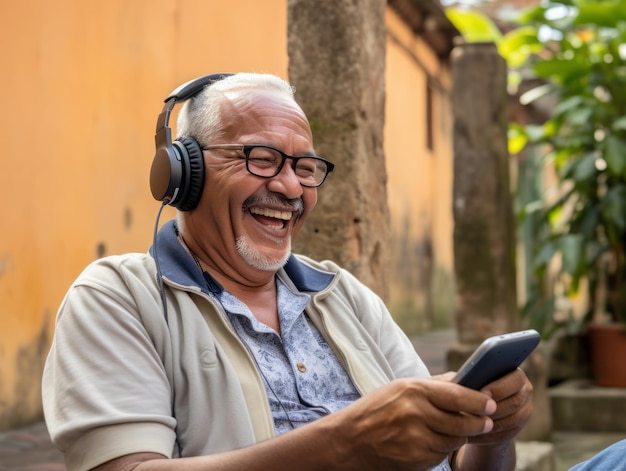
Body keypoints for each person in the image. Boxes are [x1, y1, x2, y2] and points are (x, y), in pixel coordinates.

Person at [42, 72, 534, 471]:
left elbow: (450, 457)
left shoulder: (342, 293)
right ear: (181, 173)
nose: (290, 187)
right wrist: (346, 443)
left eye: (304, 167)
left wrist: (492, 435)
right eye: (262, 159)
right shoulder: (117, 296)